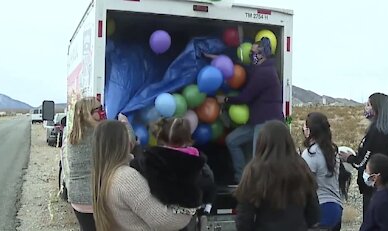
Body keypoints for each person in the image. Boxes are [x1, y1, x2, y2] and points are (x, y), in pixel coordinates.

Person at [92, 120, 193, 231]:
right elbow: (164, 221)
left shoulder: (103, 175)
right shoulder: (125, 178)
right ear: (121, 142)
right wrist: (190, 206)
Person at [214, 37, 284, 183]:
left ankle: (255, 188)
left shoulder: (265, 72)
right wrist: (217, 58)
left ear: (263, 54)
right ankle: (241, 179)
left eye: (254, 52)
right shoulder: (261, 69)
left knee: (258, 158)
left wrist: (226, 100)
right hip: (257, 121)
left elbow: (246, 97)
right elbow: (241, 66)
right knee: (232, 140)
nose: (251, 56)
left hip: (266, 123)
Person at [234, 120, 320, 231]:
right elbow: (314, 215)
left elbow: (244, 220)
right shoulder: (302, 168)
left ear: (262, 142)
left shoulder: (254, 171)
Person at [130, 118, 216, 216]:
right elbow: (209, 184)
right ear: (187, 138)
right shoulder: (196, 160)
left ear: (162, 136)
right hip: (186, 211)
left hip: (157, 207)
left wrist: (136, 148)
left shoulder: (151, 158)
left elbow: (135, 166)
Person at [339, 93, 388, 215]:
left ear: (377, 108)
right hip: (387, 183)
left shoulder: (376, 132)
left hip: (373, 184)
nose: (365, 108)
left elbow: (364, 160)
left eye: (368, 105)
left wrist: (350, 159)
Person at [66, 97, 106, 231]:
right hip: (94, 197)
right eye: (99, 109)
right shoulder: (100, 133)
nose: (102, 112)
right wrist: (125, 124)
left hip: (76, 197)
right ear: (88, 113)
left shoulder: (72, 136)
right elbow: (128, 143)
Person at [301, 112, 343, 230]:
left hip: (320, 209)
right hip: (336, 207)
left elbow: (305, 185)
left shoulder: (310, 154)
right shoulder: (332, 151)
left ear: (310, 131)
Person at [359, 154, 388, 231]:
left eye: (367, 170)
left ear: (375, 177)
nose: (365, 173)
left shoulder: (382, 200)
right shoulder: (383, 194)